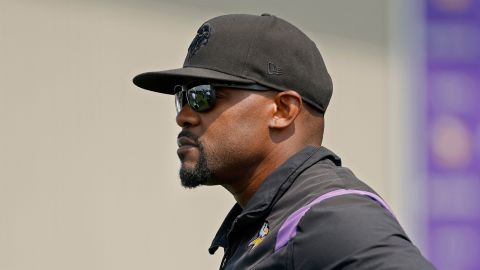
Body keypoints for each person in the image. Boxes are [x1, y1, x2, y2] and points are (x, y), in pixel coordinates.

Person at [133, 13, 435, 270]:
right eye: (181, 97)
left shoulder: (329, 215)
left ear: (283, 110)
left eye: (202, 95)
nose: (184, 116)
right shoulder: (271, 219)